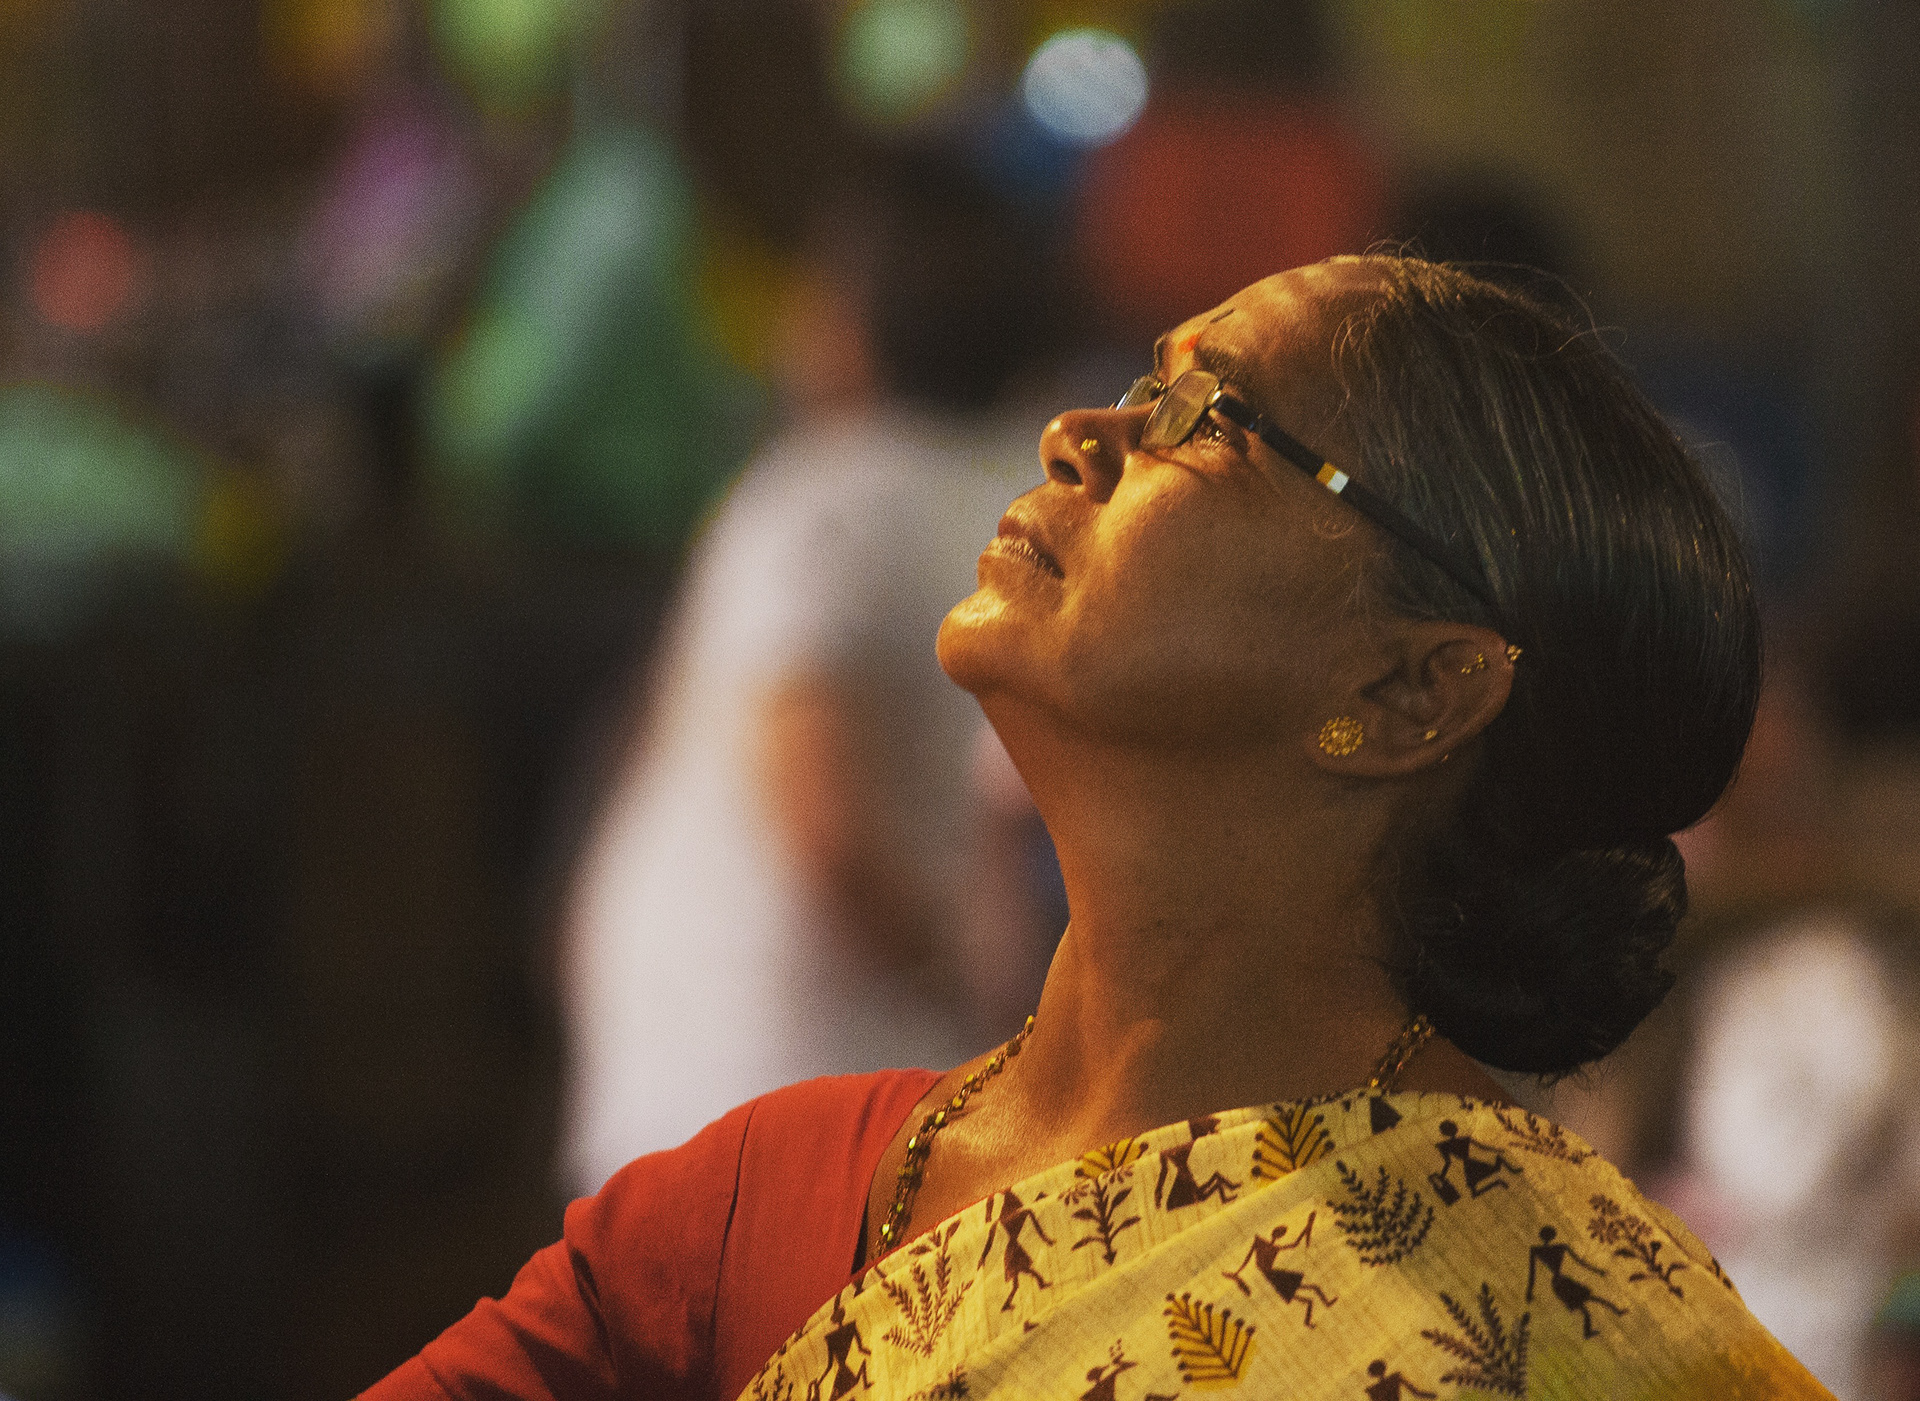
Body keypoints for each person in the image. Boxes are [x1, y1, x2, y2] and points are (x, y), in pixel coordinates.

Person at [361, 257, 1831, 1399]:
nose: (1083, 434)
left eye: (1211, 418)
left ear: (1409, 688)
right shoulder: (763, 1212)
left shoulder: (1550, 1327)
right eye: (1140, 381)